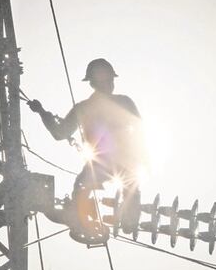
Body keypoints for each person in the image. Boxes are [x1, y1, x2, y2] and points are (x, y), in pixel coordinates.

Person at [27, 58, 144, 240]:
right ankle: (87, 217)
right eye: (106, 80)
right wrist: (42, 112)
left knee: (87, 184)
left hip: (111, 161)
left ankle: (118, 216)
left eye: (110, 80)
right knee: (87, 184)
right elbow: (60, 133)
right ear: (94, 83)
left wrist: (42, 112)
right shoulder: (105, 105)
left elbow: (139, 129)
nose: (109, 84)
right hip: (111, 162)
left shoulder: (98, 106)